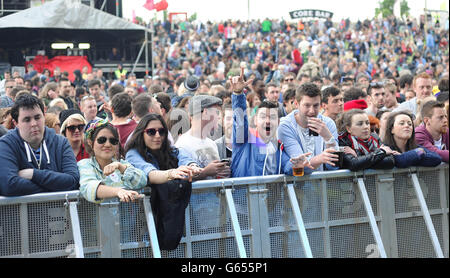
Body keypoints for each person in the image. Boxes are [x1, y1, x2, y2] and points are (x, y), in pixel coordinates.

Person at [229, 68, 310, 177]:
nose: (267, 121)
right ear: (256, 120)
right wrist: (238, 94)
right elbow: (239, 121)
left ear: (277, 122)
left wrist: (298, 165)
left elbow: (288, 167)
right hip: (242, 194)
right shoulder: (244, 140)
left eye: (271, 117)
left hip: (270, 194)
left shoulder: (278, 149)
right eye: (263, 117)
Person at [0, 94, 79, 196]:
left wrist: (33, 174)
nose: (34, 124)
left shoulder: (61, 142)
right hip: (22, 211)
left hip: (57, 210)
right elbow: (9, 186)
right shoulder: (6, 144)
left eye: (37, 117)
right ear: (16, 123)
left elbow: (73, 180)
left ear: (44, 116)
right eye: (27, 120)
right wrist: (55, 186)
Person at [78, 119, 147, 203]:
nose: (107, 145)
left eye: (113, 141)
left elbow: (142, 180)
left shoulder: (122, 164)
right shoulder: (85, 164)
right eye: (102, 140)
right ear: (90, 142)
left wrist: (121, 167)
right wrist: (118, 191)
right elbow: (89, 187)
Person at [278, 82, 339, 173]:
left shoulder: (328, 123)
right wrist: (319, 159)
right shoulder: (286, 126)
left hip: (324, 184)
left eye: (316, 105)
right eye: (307, 105)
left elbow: (333, 167)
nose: (312, 111)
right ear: (296, 104)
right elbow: (299, 166)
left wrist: (328, 138)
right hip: (296, 185)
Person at [125, 113, 201, 184]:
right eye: (151, 132)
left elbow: (184, 158)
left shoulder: (171, 150)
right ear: (141, 133)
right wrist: (171, 174)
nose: (157, 136)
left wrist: (192, 167)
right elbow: (150, 173)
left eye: (161, 131)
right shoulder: (133, 154)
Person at [174, 94, 230, 179]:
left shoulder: (211, 143)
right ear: (205, 113)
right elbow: (183, 179)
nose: (219, 117)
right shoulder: (182, 144)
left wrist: (221, 172)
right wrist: (205, 172)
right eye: (216, 112)